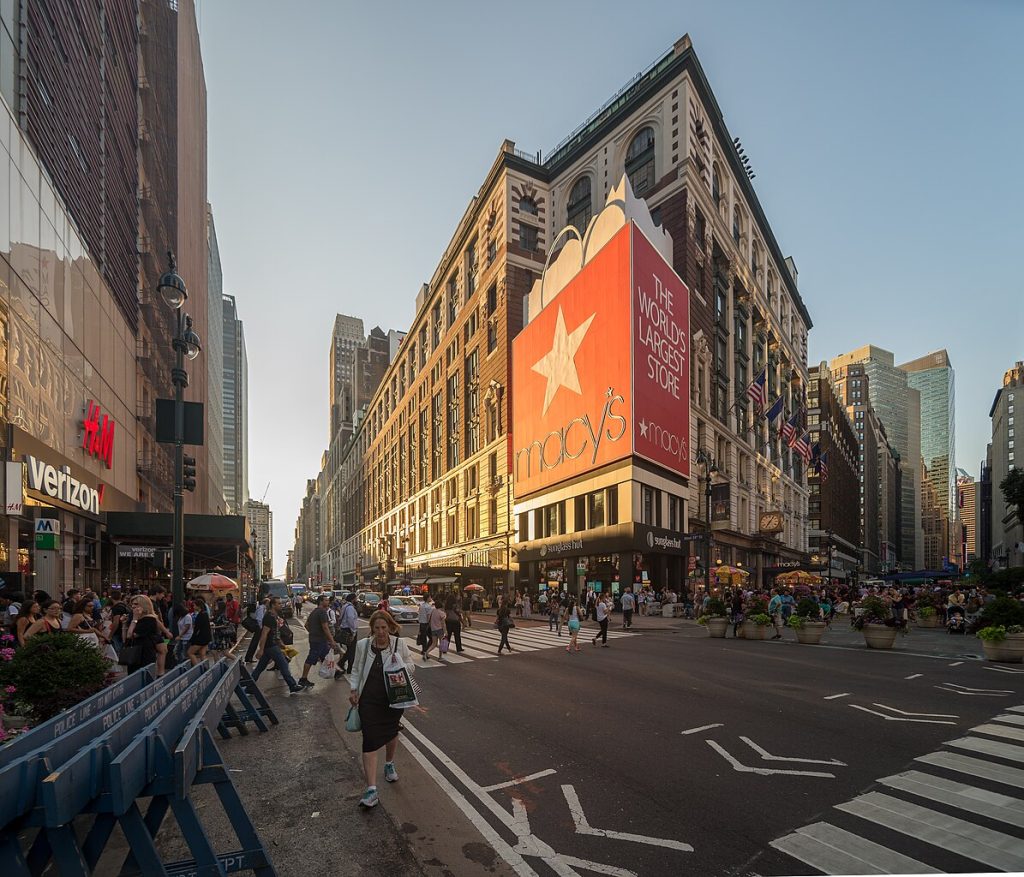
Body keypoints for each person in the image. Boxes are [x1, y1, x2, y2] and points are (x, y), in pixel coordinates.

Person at [348, 611, 415, 809]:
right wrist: (353, 689)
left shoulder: (398, 644)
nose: (380, 632)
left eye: (384, 628)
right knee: (369, 738)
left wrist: (399, 664)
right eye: (377, 628)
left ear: (390, 627)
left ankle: (389, 763)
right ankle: (371, 790)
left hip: (393, 700)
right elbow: (357, 669)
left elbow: (411, 665)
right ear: (372, 628)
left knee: (391, 732)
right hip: (368, 700)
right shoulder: (363, 645)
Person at [251, 597, 304, 694]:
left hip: (272, 645)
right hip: (271, 646)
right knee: (283, 665)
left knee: (260, 668)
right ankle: (292, 685)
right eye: (278, 603)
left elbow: (275, 633)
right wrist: (261, 649)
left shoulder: (275, 616)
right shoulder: (269, 617)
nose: (280, 605)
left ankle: (249, 687)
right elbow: (264, 633)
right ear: (273, 605)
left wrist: (281, 644)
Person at [298, 594, 341, 688]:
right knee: (311, 659)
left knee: (326, 656)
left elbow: (306, 625)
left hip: (317, 640)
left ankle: (337, 672)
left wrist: (313, 632)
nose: (328, 602)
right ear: (321, 601)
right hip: (319, 641)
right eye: (326, 600)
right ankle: (303, 679)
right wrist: (332, 640)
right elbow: (325, 628)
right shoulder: (322, 612)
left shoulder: (314, 612)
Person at [124, 595, 164, 675]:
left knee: (143, 676)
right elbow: (125, 638)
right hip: (133, 653)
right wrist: (124, 625)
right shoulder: (135, 618)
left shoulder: (149, 619)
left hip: (144, 653)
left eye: (136, 604)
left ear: (143, 605)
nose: (133, 606)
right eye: (132, 604)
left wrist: (134, 619)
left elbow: (130, 635)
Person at [337, 592, 360, 677]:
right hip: (349, 630)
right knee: (352, 650)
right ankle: (342, 665)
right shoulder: (350, 608)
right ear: (352, 599)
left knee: (350, 650)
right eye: (356, 599)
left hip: (345, 629)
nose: (356, 600)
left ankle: (348, 667)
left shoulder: (345, 606)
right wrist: (353, 631)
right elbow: (351, 619)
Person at [188, 594, 212, 665]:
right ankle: (205, 669)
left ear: (198, 606)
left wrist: (192, 639)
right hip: (206, 638)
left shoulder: (200, 615)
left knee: (190, 653)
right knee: (202, 654)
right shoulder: (205, 614)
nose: (193, 607)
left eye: (194, 605)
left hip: (201, 638)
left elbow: (196, 629)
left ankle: (197, 668)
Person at [244, 598, 269, 663]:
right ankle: (249, 657)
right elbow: (259, 619)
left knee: (258, 642)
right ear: (266, 603)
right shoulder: (261, 608)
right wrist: (261, 628)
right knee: (255, 643)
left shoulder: (263, 608)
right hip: (259, 627)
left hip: (259, 627)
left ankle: (250, 657)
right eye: (268, 603)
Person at [422, 598, 447, 663]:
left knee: (434, 643)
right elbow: (443, 623)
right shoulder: (442, 613)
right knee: (441, 643)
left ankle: (426, 652)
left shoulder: (433, 611)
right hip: (440, 629)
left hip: (433, 629)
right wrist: (445, 631)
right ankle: (440, 657)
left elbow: (429, 621)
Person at [174, 601, 194, 665]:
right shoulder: (181, 617)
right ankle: (181, 664)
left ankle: (185, 665)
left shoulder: (187, 616)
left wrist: (180, 635)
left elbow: (186, 627)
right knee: (178, 652)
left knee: (184, 653)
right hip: (182, 638)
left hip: (187, 638)